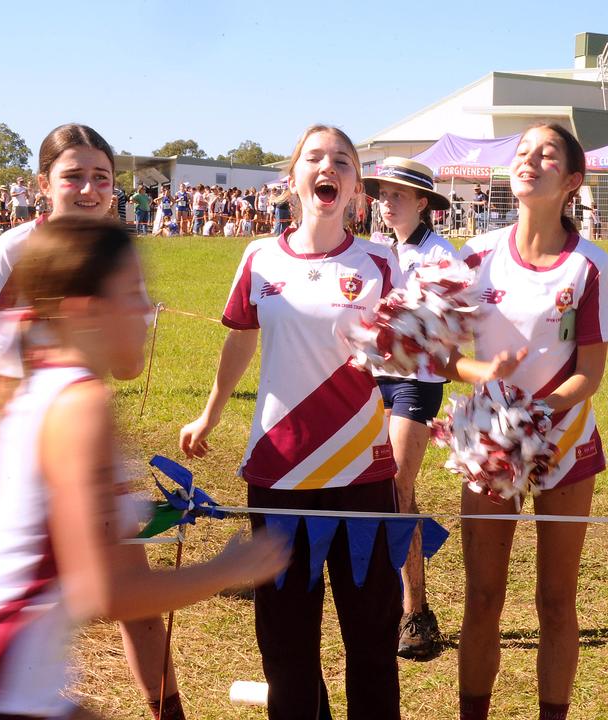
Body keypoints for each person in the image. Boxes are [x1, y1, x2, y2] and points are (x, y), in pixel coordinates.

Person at [0, 217, 287, 720]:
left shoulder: (38, 385)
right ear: (86, 310)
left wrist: (23, 499)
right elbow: (103, 592)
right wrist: (226, 569)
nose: (147, 310)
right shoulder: (83, 403)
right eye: (132, 292)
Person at [0, 124, 197, 720]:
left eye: (101, 177)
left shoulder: (115, 255)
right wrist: (0, 464)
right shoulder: (8, 252)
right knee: (27, 615)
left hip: (85, 451)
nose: (89, 189)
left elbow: (130, 368)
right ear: (43, 185)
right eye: (74, 176)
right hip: (21, 466)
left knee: (134, 606)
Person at [179, 125, 404, 720]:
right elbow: (241, 337)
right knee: (284, 643)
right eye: (315, 157)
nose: (327, 167)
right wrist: (211, 411)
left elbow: (412, 352)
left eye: (342, 161)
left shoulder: (383, 260)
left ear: (356, 185)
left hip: (362, 476)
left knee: (372, 638)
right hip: (278, 474)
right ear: (294, 178)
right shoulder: (258, 257)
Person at [445, 123, 608, 720]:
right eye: (522, 151)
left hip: (564, 445)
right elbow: (446, 355)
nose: (530, 159)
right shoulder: (474, 256)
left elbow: (591, 373)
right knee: (484, 597)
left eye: (547, 154)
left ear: (572, 181)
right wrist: (483, 378)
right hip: (487, 444)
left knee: (556, 601)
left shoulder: (591, 265)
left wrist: (536, 416)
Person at [362, 157, 457, 661]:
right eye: (382, 194)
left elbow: (448, 320)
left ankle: (414, 612)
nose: (387, 202)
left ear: (423, 203)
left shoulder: (441, 254)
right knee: (389, 488)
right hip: (374, 379)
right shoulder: (376, 252)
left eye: (398, 195)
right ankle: (399, 599)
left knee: (398, 484)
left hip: (416, 383)